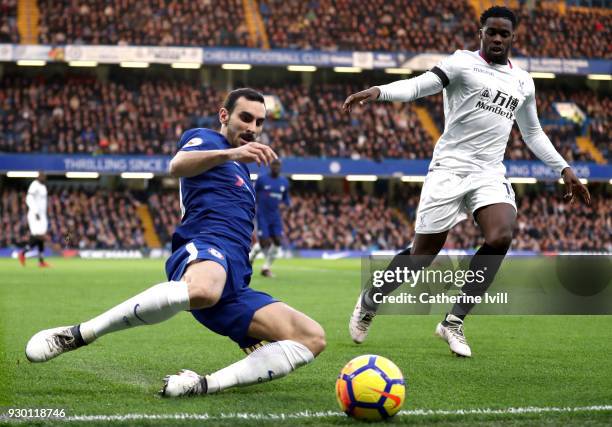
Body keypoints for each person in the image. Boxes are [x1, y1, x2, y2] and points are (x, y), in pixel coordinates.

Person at [25, 88, 326, 396]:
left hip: (236, 280)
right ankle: (78, 334)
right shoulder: (208, 141)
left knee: (312, 337)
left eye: (259, 122)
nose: (252, 128)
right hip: (207, 247)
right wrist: (230, 153)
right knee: (205, 288)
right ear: (224, 115)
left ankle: (202, 384)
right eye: (245, 118)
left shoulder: (244, 172)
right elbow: (177, 165)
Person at [342, 7, 590, 357]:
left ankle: (453, 322)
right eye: (492, 32)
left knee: (501, 235)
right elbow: (419, 86)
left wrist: (563, 168)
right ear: (481, 33)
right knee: (421, 258)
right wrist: (379, 91)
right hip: (448, 169)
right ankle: (371, 299)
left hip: (489, 172)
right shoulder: (459, 63)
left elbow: (532, 131)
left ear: (513, 37)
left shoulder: (523, 82)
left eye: (504, 33)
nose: (498, 38)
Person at [249, 159, 290, 277]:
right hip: (263, 215)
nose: (276, 167)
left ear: (281, 167)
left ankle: (266, 267)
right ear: (270, 166)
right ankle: (251, 258)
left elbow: (286, 199)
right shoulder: (262, 180)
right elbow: (253, 194)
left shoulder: (284, 182)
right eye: (274, 165)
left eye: (278, 165)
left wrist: (287, 205)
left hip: (275, 216)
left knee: (278, 240)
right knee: (264, 243)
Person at [19, 172, 51, 268]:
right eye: (42, 176)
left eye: (45, 176)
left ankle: (41, 261)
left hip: (42, 215)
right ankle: (23, 253)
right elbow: (29, 198)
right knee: (38, 236)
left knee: (40, 237)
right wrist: (35, 211)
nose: (44, 178)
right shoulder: (34, 185)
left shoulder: (42, 187)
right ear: (38, 176)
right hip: (35, 215)